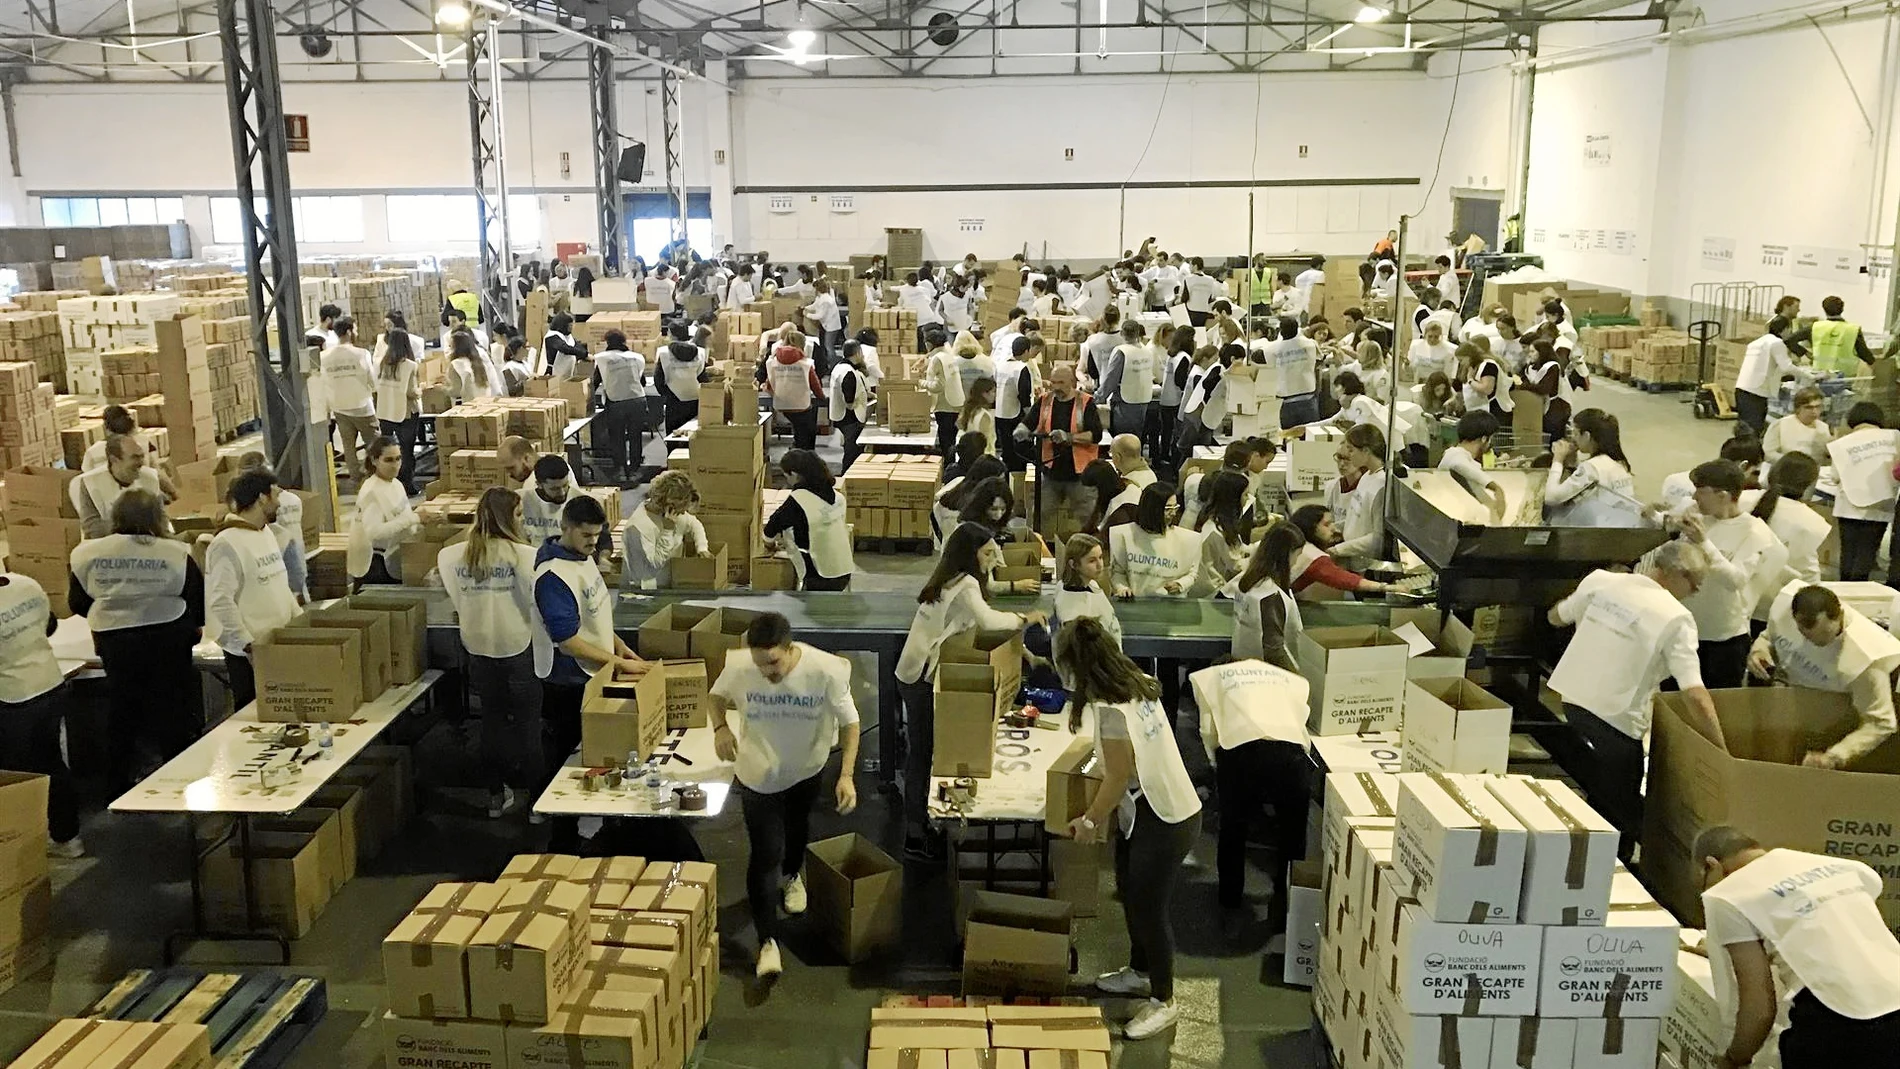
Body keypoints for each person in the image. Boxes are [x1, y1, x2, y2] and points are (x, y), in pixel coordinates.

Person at [1057, 617, 1201, 1041]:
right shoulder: (1136, 680)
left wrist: (1088, 820)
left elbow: (1118, 775)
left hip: (1164, 816)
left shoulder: (1111, 711)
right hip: (1151, 809)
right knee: (1129, 889)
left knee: (1149, 910)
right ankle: (1139, 971)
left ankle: (1164, 1001)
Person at [1546, 541, 1723, 858]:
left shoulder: (1602, 581)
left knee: (1605, 789)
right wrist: (1719, 746)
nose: (1696, 592)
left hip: (1573, 699)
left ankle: (1593, 850)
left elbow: (1556, 617)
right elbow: (1694, 692)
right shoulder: (1677, 618)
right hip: (1616, 718)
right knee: (1623, 802)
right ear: (1673, 573)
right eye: (1695, 583)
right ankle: (1622, 865)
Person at [709, 612, 859, 979]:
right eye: (760, 664)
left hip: (807, 769)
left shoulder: (825, 670)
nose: (767, 672)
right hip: (758, 776)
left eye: (773, 663)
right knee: (764, 854)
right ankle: (767, 943)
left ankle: (793, 875)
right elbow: (715, 697)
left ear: (791, 650)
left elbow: (850, 723)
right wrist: (720, 728)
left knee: (797, 828)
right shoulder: (743, 665)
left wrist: (848, 775)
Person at [894, 523, 1047, 859]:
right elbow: (990, 622)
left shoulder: (954, 578)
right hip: (918, 676)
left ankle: (919, 824)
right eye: (988, 552)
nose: (994, 558)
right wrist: (1025, 618)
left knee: (927, 749)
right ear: (970, 553)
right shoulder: (964, 585)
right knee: (923, 752)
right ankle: (915, 834)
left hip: (916, 672)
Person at [1693, 826, 1900, 1069]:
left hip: (1840, 1022)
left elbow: (1759, 1008)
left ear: (1711, 865)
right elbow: (1824, 936)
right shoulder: (1844, 867)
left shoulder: (1726, 894)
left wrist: (1733, 1058)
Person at [67, 489, 204, 793]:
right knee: (172, 709)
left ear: (115, 517)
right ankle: (179, 782)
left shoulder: (87, 553)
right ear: (158, 517)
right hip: (168, 636)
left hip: (117, 641)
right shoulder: (175, 552)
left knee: (122, 713)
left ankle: (116, 786)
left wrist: (113, 609)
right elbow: (195, 596)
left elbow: (77, 601)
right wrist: (194, 626)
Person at [438, 487, 542, 818]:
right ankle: (537, 803)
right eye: (520, 514)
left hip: (478, 647)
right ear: (507, 517)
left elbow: (457, 601)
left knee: (492, 722)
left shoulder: (451, 557)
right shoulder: (526, 556)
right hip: (518, 647)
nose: (524, 520)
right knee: (528, 725)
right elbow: (534, 602)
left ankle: (495, 797)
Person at [1191, 652, 1312, 923]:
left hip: (1240, 753)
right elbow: (1301, 714)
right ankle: (1286, 905)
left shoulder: (1214, 679)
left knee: (1233, 831)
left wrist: (1216, 766)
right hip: (1290, 754)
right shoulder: (1278, 677)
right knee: (1292, 837)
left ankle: (1230, 901)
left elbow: (1208, 729)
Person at [533, 494, 640, 782]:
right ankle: (559, 822)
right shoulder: (554, 576)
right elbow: (568, 643)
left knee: (594, 755)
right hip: (569, 682)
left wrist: (621, 646)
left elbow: (595, 615)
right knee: (568, 762)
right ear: (565, 527)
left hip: (594, 673)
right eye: (586, 534)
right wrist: (618, 661)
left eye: (597, 534)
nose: (594, 542)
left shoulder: (582, 557)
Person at [1748, 584, 1899, 768]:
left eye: (1825, 635)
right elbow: (1769, 636)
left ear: (1840, 616)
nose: (1817, 643)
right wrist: (1760, 651)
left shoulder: (1865, 660)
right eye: (1806, 635)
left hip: (1833, 728)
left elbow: (1882, 723)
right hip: (1791, 707)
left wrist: (1836, 755)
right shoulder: (1783, 611)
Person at [1678, 460, 1785, 688]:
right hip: (1685, 628)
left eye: (1702, 492)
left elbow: (1736, 580)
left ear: (1723, 496)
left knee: (1719, 702)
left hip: (1722, 638)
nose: (1695, 497)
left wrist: (1704, 543)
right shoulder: (1700, 519)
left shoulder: (1754, 532)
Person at [0, 568, 80, 857]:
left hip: (14, 697)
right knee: (51, 763)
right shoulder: (26, 584)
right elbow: (49, 626)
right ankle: (66, 837)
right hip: (49, 682)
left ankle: (21, 849)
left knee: (17, 775)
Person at [206, 469, 301, 712]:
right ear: (261, 498)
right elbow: (220, 602)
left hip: (277, 644)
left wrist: (300, 621)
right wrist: (248, 646)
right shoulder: (226, 544)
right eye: (276, 496)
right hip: (250, 655)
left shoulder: (266, 532)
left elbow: (279, 582)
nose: (279, 503)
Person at [1740, 452, 1826, 623]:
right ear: (1809, 485)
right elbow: (1809, 572)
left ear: (1771, 473)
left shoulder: (1741, 499)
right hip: (1774, 608)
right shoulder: (1813, 522)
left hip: (1734, 600)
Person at [1824, 402, 1898, 583]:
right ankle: (1859, 590)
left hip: (1848, 505)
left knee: (1848, 553)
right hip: (1880, 505)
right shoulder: (1894, 439)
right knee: (1867, 553)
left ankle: (1844, 593)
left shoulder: (1842, 443)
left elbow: (1834, 477)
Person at [1031, 364, 1105, 541]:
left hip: (1079, 475)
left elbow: (1096, 435)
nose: (1056, 386)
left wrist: (1069, 437)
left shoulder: (1086, 402)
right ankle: (1036, 550)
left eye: (1061, 382)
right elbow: (1029, 422)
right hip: (1050, 471)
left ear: (1072, 382)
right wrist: (1021, 429)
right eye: (1053, 382)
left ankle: (1090, 548)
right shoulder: (1045, 400)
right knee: (1039, 515)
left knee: (1087, 517)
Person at [763, 449, 855, 592]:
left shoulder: (799, 500)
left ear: (793, 474)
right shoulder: (838, 497)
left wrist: (770, 546)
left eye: (785, 475)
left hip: (819, 576)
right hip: (844, 570)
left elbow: (770, 531)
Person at [1225, 519, 1305, 671]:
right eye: (1297, 555)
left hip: (1243, 665)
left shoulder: (1249, 580)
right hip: (1266, 675)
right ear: (1286, 555)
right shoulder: (1270, 595)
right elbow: (1274, 650)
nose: (1296, 562)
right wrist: (1298, 679)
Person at [316, 316, 381, 485]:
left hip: (339, 407)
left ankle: (355, 478)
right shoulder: (361, 353)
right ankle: (376, 476)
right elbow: (372, 381)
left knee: (348, 446)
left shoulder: (324, 356)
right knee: (374, 445)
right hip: (362, 407)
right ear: (349, 331)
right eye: (355, 329)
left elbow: (323, 382)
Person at [1108, 483, 1201, 598]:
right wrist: (1122, 588)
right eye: (1167, 509)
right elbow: (1117, 572)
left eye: (1175, 507)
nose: (1173, 513)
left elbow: (1192, 573)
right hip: (1134, 604)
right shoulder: (1125, 535)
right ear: (1152, 509)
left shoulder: (1187, 539)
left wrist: (1180, 584)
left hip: (1170, 606)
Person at [620, 470, 709, 591]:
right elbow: (652, 567)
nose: (683, 512)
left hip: (672, 583)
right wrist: (667, 531)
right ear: (669, 504)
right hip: (647, 592)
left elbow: (694, 524)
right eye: (682, 508)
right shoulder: (638, 527)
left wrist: (702, 547)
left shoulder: (674, 513)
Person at [1286, 504, 1391, 599]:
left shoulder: (1294, 541)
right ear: (1310, 528)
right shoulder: (1314, 557)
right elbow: (1345, 580)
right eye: (1326, 524)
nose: (1333, 529)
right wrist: (1387, 587)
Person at [1545, 408, 1637, 517]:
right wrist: (1574, 462)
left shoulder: (1592, 467)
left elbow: (1551, 498)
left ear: (1587, 436)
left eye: (1576, 433)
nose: (1574, 438)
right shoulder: (1619, 463)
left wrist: (1558, 460)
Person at [76, 434, 167, 540]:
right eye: (135, 457)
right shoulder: (90, 483)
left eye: (142, 456)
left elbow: (162, 519)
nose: (141, 463)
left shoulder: (150, 478)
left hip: (146, 544)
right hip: (106, 547)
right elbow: (91, 526)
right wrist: (131, 529)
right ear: (114, 459)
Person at [1328, 424, 1391, 566]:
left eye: (1351, 450)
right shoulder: (1367, 475)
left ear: (1366, 451)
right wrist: (1333, 528)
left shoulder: (1381, 485)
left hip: (1365, 565)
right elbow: (1356, 516)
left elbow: (1377, 538)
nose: (1349, 455)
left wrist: (1338, 550)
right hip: (1351, 556)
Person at [1734, 317, 1806, 437]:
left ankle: (1742, 453)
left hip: (1742, 388)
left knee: (1744, 428)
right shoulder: (1776, 343)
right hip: (1756, 392)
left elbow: (1766, 366)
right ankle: (1750, 453)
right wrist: (1808, 375)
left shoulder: (1757, 342)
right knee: (1754, 429)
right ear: (1785, 329)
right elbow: (1786, 366)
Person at [372, 328, 423, 494]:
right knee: (406, 451)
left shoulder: (382, 364)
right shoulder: (410, 366)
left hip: (385, 411)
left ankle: (388, 482)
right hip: (406, 413)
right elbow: (411, 392)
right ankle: (408, 485)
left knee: (388, 448)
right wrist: (421, 390)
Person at [1188, 469, 1254, 595]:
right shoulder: (1218, 530)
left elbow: (1238, 549)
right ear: (1233, 497)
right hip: (1214, 590)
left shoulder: (1215, 518)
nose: (1248, 499)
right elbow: (1236, 566)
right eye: (1245, 494)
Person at [593, 331, 648, 474]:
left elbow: (595, 382)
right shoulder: (636, 357)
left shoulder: (602, 359)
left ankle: (620, 467)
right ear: (624, 341)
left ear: (607, 342)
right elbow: (642, 381)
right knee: (636, 435)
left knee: (617, 436)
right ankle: (635, 466)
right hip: (637, 400)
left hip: (616, 402)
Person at [1053, 533, 1122, 646]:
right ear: (1074, 564)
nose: (1100, 565)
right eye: (1092, 561)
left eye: (1100, 557)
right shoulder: (1072, 614)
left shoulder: (1092, 584)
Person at [1439, 411, 1508, 522]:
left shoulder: (1466, 459)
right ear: (1484, 439)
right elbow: (1459, 465)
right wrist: (1495, 488)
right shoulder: (1454, 454)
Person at [764, 327, 824, 452]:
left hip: (781, 404)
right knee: (807, 430)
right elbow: (815, 384)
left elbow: (769, 385)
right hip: (801, 405)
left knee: (799, 427)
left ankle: (797, 448)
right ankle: (803, 455)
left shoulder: (774, 362)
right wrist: (822, 398)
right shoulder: (805, 364)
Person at [1790, 295, 1874, 376]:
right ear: (1842, 309)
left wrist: (1805, 352)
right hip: (1845, 376)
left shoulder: (1814, 327)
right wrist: (1873, 361)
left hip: (1820, 374)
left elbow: (1789, 340)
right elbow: (1865, 354)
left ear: (1824, 309)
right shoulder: (1853, 330)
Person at [1259, 317, 1319, 428]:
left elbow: (1257, 357)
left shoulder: (1272, 349)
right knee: (1310, 438)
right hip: (1308, 398)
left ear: (1281, 331)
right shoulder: (1310, 344)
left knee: (1288, 437)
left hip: (1286, 402)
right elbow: (1319, 358)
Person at [1102, 321, 1159, 439]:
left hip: (1125, 401)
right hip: (1143, 399)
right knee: (1136, 437)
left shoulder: (1122, 352)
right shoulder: (1147, 351)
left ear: (1122, 333)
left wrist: (1099, 397)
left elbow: (1111, 379)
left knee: (1122, 439)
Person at [993, 335, 1039, 478]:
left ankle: (1007, 480)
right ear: (1026, 350)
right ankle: (1018, 483)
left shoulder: (1000, 366)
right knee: (1019, 455)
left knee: (1006, 452)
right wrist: (1031, 420)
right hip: (1015, 415)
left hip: (999, 414)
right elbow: (1024, 397)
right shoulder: (1021, 368)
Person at [829, 340, 871, 471]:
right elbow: (849, 400)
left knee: (850, 449)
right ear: (857, 353)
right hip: (850, 418)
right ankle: (847, 476)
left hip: (839, 415)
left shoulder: (838, 367)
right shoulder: (849, 372)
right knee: (852, 451)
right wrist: (856, 402)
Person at [1763, 386, 1831, 465]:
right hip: (1785, 469)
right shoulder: (1781, 425)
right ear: (1798, 408)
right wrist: (1794, 463)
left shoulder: (1823, 428)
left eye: (1818, 407)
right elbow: (1768, 454)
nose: (1814, 411)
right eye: (1809, 407)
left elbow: (1825, 458)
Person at [81, 405, 147, 471]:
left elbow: (86, 475)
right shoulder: (144, 443)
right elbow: (155, 470)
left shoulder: (92, 451)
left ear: (105, 427)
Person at [448, 329, 500, 403]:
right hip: (486, 402)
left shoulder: (456, 364)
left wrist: (441, 389)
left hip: (468, 406)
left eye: (450, 346)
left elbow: (456, 391)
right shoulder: (479, 361)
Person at [958, 378, 999, 457]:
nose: (995, 395)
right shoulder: (984, 415)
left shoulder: (970, 410)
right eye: (993, 391)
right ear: (984, 393)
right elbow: (984, 442)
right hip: (984, 458)